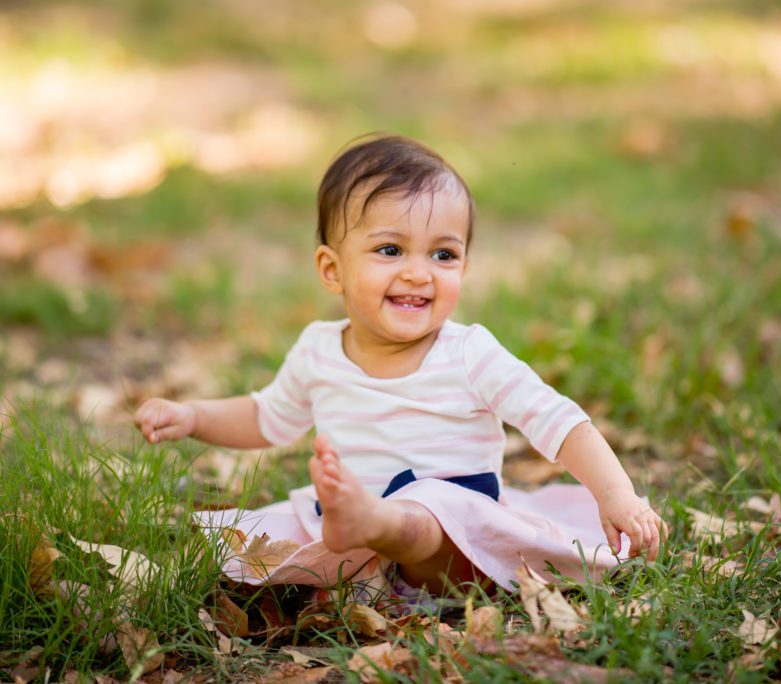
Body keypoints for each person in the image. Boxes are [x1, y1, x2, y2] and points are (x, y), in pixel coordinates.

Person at [133, 134, 668, 598]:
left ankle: (378, 523)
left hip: (453, 546)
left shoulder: (469, 354)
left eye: (443, 255)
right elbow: (266, 417)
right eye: (390, 250)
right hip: (352, 540)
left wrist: (615, 493)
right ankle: (360, 537)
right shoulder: (319, 351)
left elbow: (558, 421)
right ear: (332, 269)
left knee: (430, 506)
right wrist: (195, 417)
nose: (419, 273)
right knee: (248, 542)